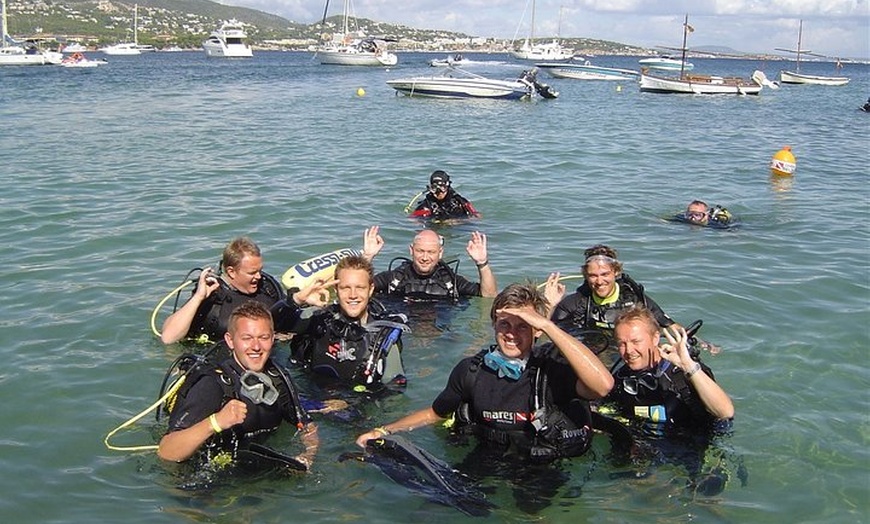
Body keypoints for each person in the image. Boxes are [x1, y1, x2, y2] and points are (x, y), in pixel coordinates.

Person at [355, 283, 614, 462]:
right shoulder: (472, 370)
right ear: (494, 325)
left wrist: (547, 324)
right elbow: (435, 413)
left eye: (523, 326)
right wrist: (384, 431)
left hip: (540, 466)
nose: (512, 334)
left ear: (537, 331)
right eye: (504, 324)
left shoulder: (551, 369)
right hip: (486, 458)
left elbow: (603, 386)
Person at [157, 301, 319, 471]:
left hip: (261, 465)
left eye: (263, 338)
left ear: (272, 338)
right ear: (230, 340)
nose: (256, 347)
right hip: (212, 476)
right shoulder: (212, 384)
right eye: (246, 338)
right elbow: (166, 451)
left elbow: (306, 424)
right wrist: (216, 422)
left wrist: (308, 454)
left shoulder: (278, 377)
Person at [602, 306, 736, 495]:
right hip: (651, 449)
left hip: (697, 448)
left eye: (635, 341)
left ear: (655, 338)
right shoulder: (621, 379)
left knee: (703, 501)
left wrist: (688, 365)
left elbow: (726, 412)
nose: (628, 350)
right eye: (622, 343)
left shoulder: (683, 372)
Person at [270, 254, 409, 393]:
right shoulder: (318, 319)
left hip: (356, 409)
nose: (353, 295)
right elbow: (269, 324)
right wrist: (296, 299)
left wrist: (349, 404)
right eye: (345, 288)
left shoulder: (382, 337)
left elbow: (394, 392)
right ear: (336, 289)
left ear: (371, 289)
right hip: (308, 397)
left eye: (360, 287)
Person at [546, 245, 680, 352]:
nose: (599, 281)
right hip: (593, 351)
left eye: (605, 274)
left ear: (616, 272)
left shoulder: (634, 299)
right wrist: (550, 305)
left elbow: (669, 325)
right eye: (593, 275)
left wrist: (694, 341)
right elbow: (548, 334)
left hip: (628, 350)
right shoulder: (574, 303)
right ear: (586, 275)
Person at [160, 237, 285, 345]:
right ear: (231, 271)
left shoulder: (268, 288)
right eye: (252, 273)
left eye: (260, 270)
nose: (258, 277)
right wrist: (198, 297)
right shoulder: (212, 295)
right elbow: (168, 338)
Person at [362, 226, 497, 300]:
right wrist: (367, 258)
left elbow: (489, 295)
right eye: (420, 251)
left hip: (440, 332)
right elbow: (358, 289)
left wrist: (482, 263)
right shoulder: (394, 278)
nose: (425, 257)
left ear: (440, 253)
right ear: (411, 250)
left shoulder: (451, 281)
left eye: (431, 252)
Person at [409, 170, 480, 221]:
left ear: (447, 186)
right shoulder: (426, 206)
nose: (439, 192)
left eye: (442, 187)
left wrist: (460, 221)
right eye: (435, 188)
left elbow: (477, 216)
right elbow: (412, 220)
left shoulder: (459, 201)